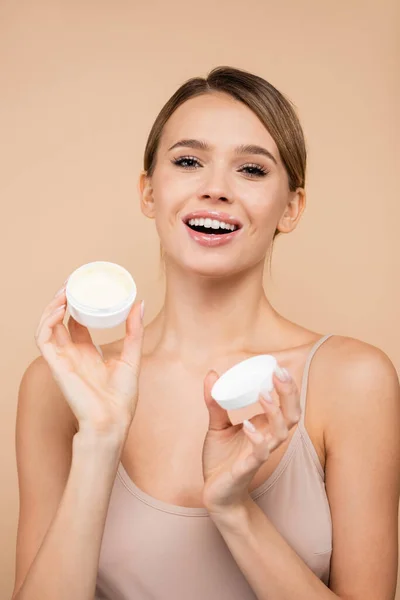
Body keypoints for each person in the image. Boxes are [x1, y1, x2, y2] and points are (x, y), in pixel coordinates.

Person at [13, 66, 400, 600]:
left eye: (251, 170)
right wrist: (100, 441)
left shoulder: (355, 381)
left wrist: (235, 510)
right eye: (189, 162)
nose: (215, 189)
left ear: (291, 208)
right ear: (149, 193)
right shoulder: (58, 384)